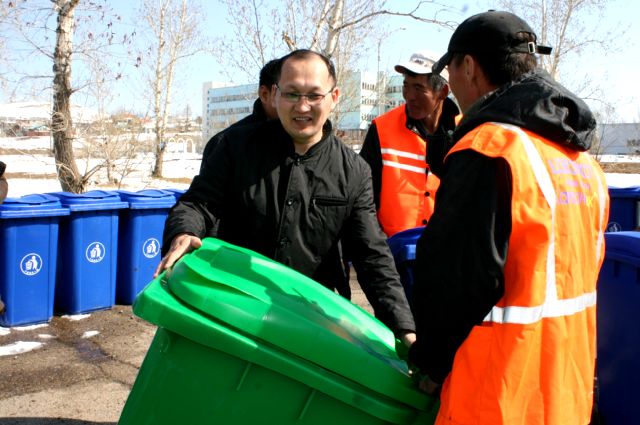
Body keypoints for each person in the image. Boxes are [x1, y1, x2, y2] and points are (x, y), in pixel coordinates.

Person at [407, 10, 610, 424]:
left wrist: (429, 362)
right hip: (564, 395)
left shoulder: (488, 149)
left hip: (495, 396)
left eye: (451, 72)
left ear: (468, 66)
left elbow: (455, 280)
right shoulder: (580, 163)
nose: (451, 85)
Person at [156, 49, 416, 344]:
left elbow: (372, 255)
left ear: (334, 97)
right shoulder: (234, 147)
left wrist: (404, 328)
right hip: (234, 309)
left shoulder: (354, 171)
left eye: (314, 95)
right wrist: (184, 231)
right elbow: (198, 204)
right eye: (292, 94)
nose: (302, 106)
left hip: (311, 322)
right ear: (275, 95)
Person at [359, 51, 459, 237]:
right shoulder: (381, 129)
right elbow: (363, 198)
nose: (409, 96)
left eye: (419, 88)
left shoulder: (464, 131)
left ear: (443, 92)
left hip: (444, 248)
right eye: (406, 85)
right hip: (390, 248)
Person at [200, 58, 281, 170]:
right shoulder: (224, 145)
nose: (301, 105)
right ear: (264, 94)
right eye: (291, 93)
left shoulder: (303, 143)